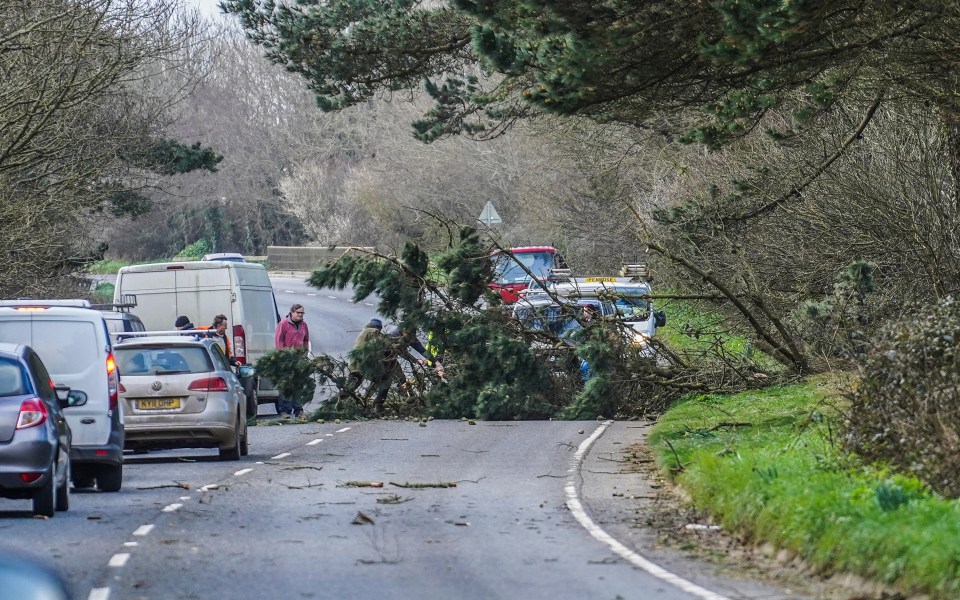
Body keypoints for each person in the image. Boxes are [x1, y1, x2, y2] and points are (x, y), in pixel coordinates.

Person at [274, 304, 310, 419]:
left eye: (302, 313)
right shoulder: (284, 324)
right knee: (286, 385)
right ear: (292, 312)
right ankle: (284, 410)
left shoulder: (304, 325)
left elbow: (306, 339)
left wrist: (304, 352)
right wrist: (283, 355)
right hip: (286, 359)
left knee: (298, 385)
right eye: (298, 312)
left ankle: (298, 409)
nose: (300, 315)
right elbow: (279, 340)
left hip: (299, 359)